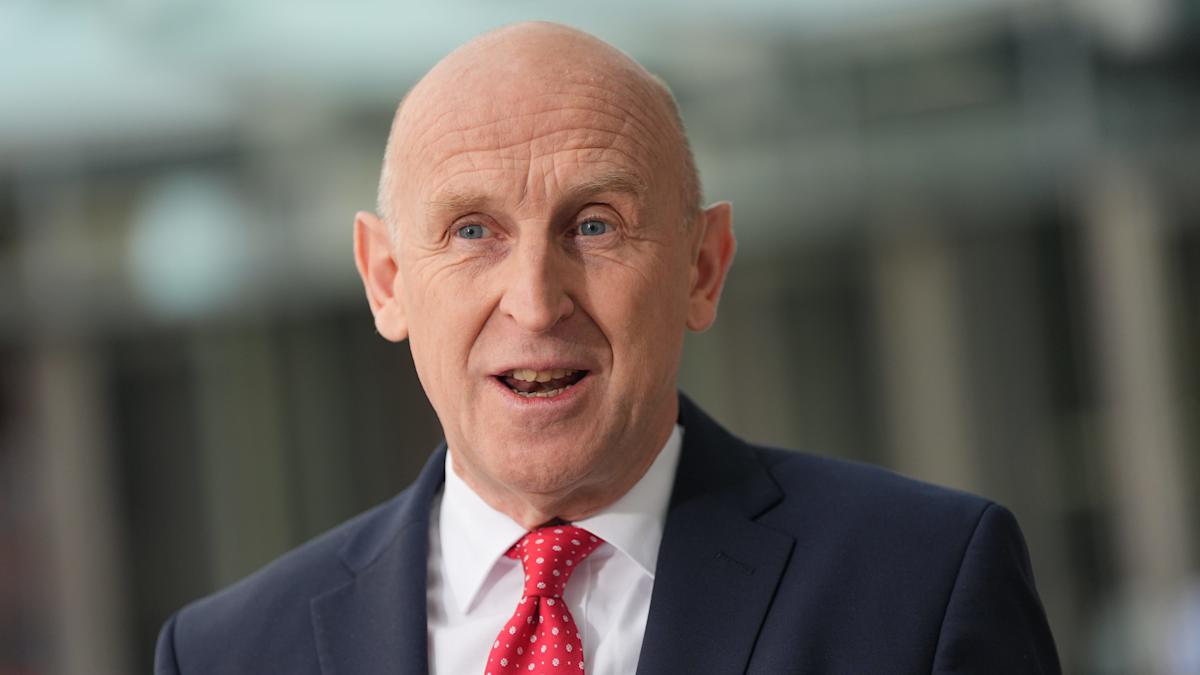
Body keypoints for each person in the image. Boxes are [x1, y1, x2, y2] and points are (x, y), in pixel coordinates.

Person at [154, 21, 1060, 675]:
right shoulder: (226, 655)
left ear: (702, 266)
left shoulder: (923, 586)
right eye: (472, 231)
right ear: (387, 279)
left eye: (594, 224)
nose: (535, 301)